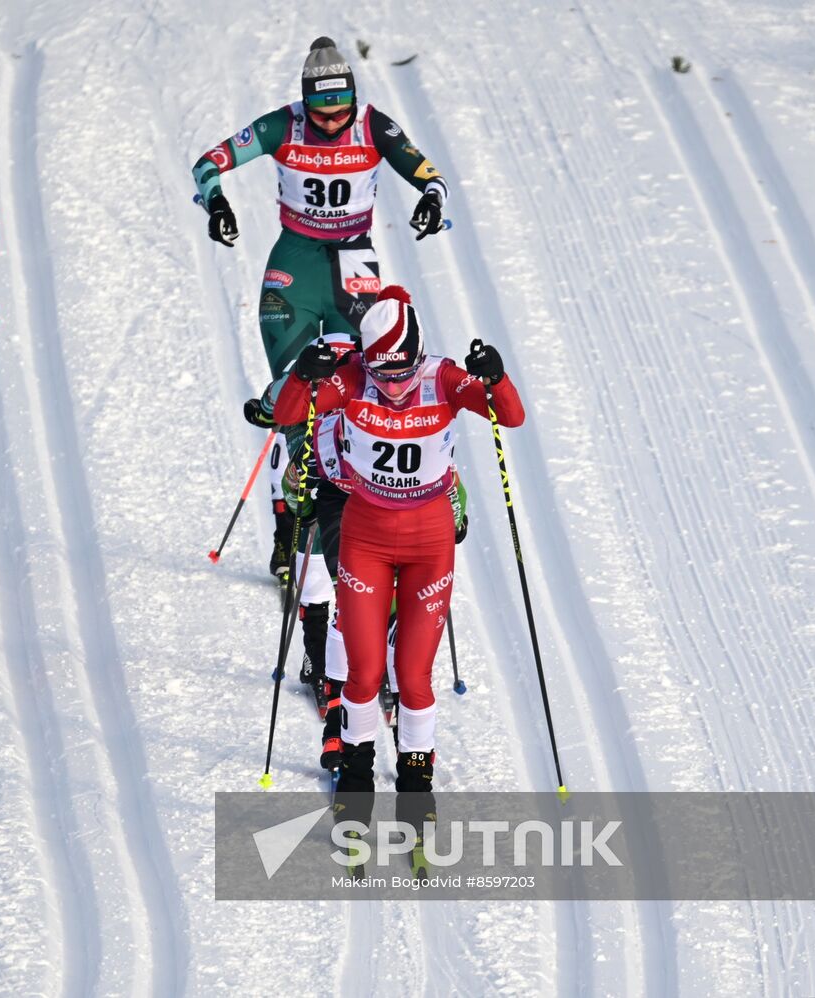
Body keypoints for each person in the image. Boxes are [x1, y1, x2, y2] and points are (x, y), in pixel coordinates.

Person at [272, 284, 522, 869]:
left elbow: (509, 415)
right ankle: (356, 788)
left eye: (402, 370)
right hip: (365, 539)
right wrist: (305, 377)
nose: (395, 386)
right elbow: (288, 413)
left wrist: (496, 377)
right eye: (382, 374)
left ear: (418, 352)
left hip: (429, 545)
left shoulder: (442, 378)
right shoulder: (352, 377)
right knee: (361, 674)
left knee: (412, 675)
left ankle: (417, 793)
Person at [192, 36, 449, 585]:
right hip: (294, 267)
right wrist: (215, 200)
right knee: (292, 399)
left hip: (355, 268)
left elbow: (428, 173)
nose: (331, 124)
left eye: (341, 112)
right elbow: (208, 162)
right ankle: (289, 533)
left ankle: (358, 520)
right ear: (304, 102)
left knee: (367, 389)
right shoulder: (282, 125)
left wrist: (432, 198)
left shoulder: (373, 125)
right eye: (320, 113)